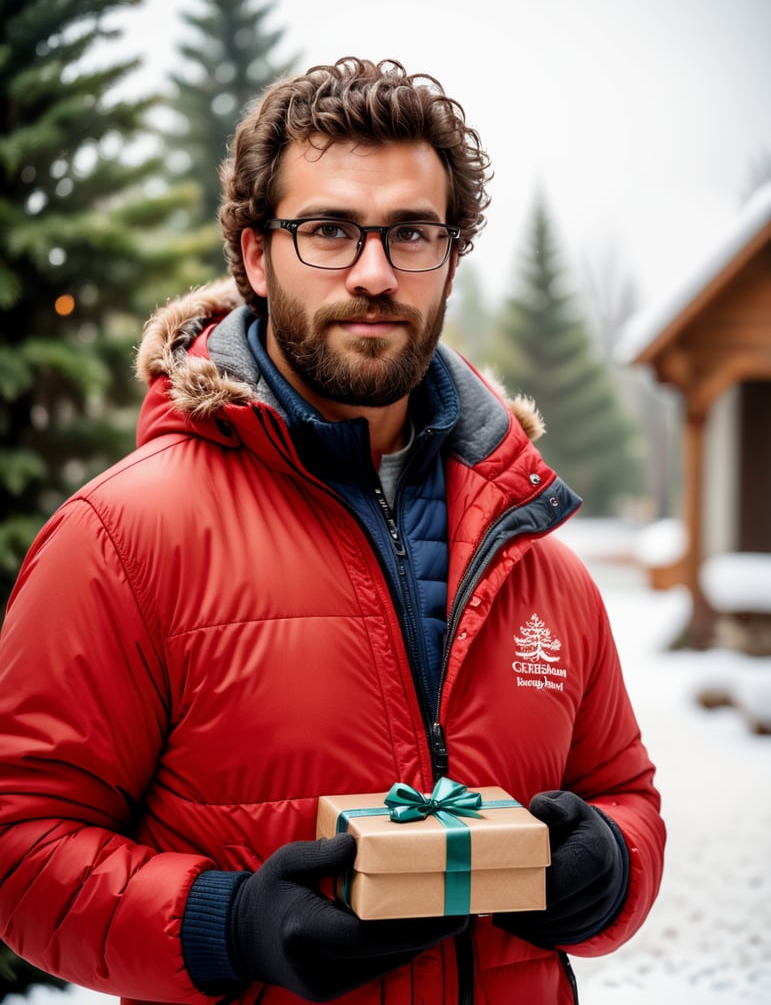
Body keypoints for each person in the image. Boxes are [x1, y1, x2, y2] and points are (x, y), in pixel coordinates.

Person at [0, 57, 665, 1005]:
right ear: (254, 254)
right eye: (328, 231)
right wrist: (225, 925)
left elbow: (627, 799)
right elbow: (19, 844)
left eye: (412, 234)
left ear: (448, 257)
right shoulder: (118, 539)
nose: (373, 273)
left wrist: (610, 864)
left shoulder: (534, 552)